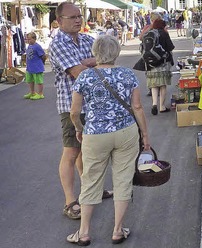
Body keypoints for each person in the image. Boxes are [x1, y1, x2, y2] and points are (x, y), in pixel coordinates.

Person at [66, 35, 151, 246]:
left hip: (95, 134)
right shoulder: (127, 74)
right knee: (123, 179)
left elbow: (75, 112)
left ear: (95, 52)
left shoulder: (85, 77)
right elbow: (138, 107)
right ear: (116, 53)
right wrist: (145, 135)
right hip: (126, 132)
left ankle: (84, 232)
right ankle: (117, 230)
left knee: (91, 180)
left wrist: (79, 129)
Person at [49, 2, 113, 221]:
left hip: (93, 106)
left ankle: (91, 189)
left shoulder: (86, 39)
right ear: (59, 21)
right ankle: (70, 201)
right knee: (71, 152)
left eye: (80, 16)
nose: (78, 20)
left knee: (88, 151)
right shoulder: (58, 43)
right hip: (71, 108)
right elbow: (80, 73)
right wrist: (90, 64)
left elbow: (108, 60)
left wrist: (90, 62)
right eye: (72, 17)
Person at [144, 17, 174, 115]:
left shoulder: (150, 34)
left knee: (154, 85)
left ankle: (154, 104)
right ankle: (162, 106)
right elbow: (170, 47)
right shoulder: (164, 33)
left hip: (151, 63)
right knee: (162, 85)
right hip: (163, 62)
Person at [24, 32, 46, 100]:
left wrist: (42, 63)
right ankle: (32, 92)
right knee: (30, 80)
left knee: (39, 81)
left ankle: (40, 94)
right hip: (30, 67)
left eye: (29, 39)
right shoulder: (29, 46)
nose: (28, 41)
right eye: (27, 39)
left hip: (37, 67)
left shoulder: (37, 46)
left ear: (34, 39)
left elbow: (43, 56)